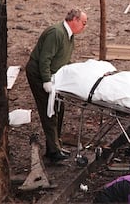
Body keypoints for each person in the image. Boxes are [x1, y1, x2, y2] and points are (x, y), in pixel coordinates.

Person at [26, 8, 87, 162]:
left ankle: (55, 144)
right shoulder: (56, 33)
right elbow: (45, 59)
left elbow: (63, 59)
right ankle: (53, 151)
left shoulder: (70, 36)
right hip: (40, 74)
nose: (84, 27)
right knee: (49, 110)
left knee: (59, 108)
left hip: (55, 76)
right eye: (83, 23)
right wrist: (46, 80)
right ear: (74, 20)